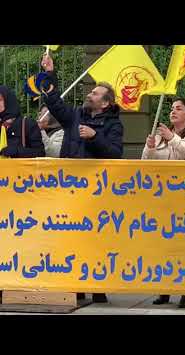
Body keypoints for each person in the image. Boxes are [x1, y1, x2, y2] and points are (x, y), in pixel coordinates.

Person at [41, 53, 124, 304]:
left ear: (106, 103)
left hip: (96, 194)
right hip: (71, 191)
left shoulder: (114, 125)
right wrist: (49, 74)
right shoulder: (75, 116)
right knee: (71, 238)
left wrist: (93, 137)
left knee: (94, 240)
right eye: (91, 92)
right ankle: (75, 285)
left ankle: (98, 287)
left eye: (96, 93)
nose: (90, 94)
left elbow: (115, 153)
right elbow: (55, 105)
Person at [142, 98, 185, 308]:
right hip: (163, 198)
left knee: (184, 247)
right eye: (171, 108)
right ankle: (165, 289)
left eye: (179, 108)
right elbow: (145, 164)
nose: (173, 111)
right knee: (163, 246)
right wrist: (150, 148)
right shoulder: (162, 135)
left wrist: (173, 139)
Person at [0, 85, 45, 158]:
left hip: (19, 168)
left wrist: (17, 151)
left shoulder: (27, 124)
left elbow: (40, 153)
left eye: (0, 100)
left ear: (9, 101)